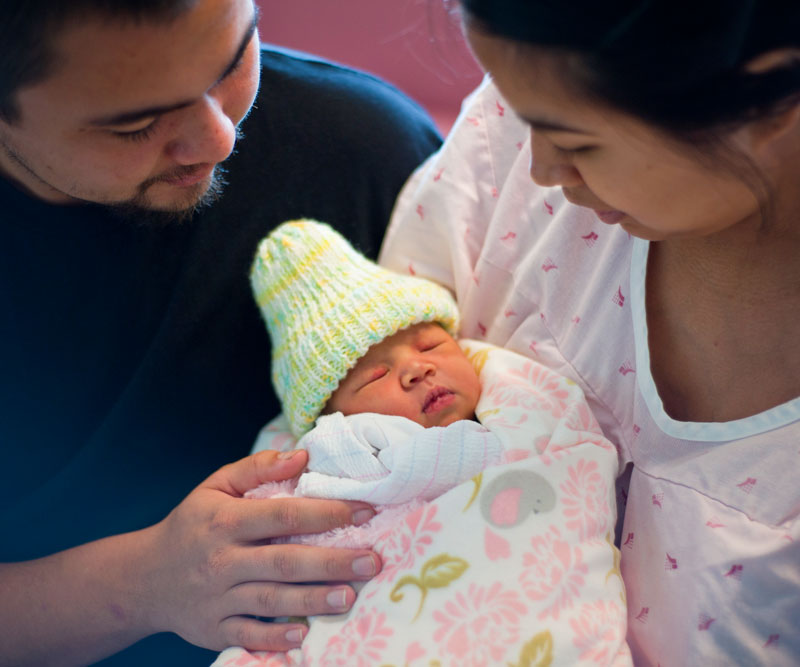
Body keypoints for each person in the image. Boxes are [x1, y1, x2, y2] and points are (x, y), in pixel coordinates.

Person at [0, 0, 443, 664]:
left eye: (235, 59)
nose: (219, 139)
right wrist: (141, 583)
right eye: (138, 127)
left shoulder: (365, 151)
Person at [378, 1, 800, 665]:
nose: (542, 169)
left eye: (577, 144)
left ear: (773, 104)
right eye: (524, 118)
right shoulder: (515, 141)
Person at [211, 219, 627, 666]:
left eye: (429, 345)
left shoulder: (531, 412)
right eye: (376, 375)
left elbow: (570, 473)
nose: (416, 369)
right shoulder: (325, 466)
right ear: (331, 420)